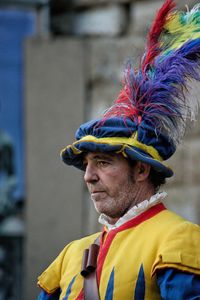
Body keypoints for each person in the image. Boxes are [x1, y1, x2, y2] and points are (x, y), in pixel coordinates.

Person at [37, 0, 200, 299]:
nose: (88, 176)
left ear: (141, 169)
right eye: (86, 164)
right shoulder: (69, 256)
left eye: (102, 162)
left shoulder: (178, 240)